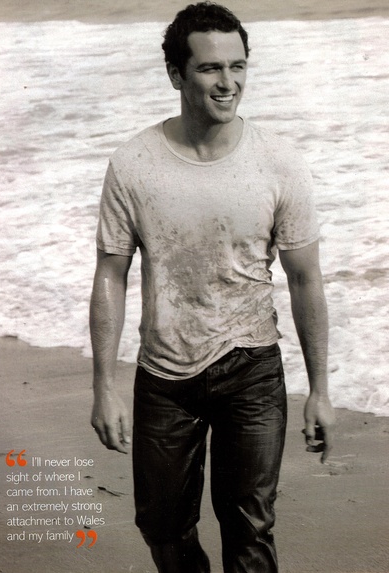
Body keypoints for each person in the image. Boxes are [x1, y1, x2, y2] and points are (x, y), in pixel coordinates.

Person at [90, 2, 335, 572]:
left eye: (238, 66)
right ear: (176, 75)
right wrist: (103, 386)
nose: (228, 83)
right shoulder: (134, 164)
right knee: (162, 527)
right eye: (210, 68)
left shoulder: (278, 162)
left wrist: (320, 389)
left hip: (251, 366)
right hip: (165, 373)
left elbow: (305, 278)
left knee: (249, 528)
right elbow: (110, 274)